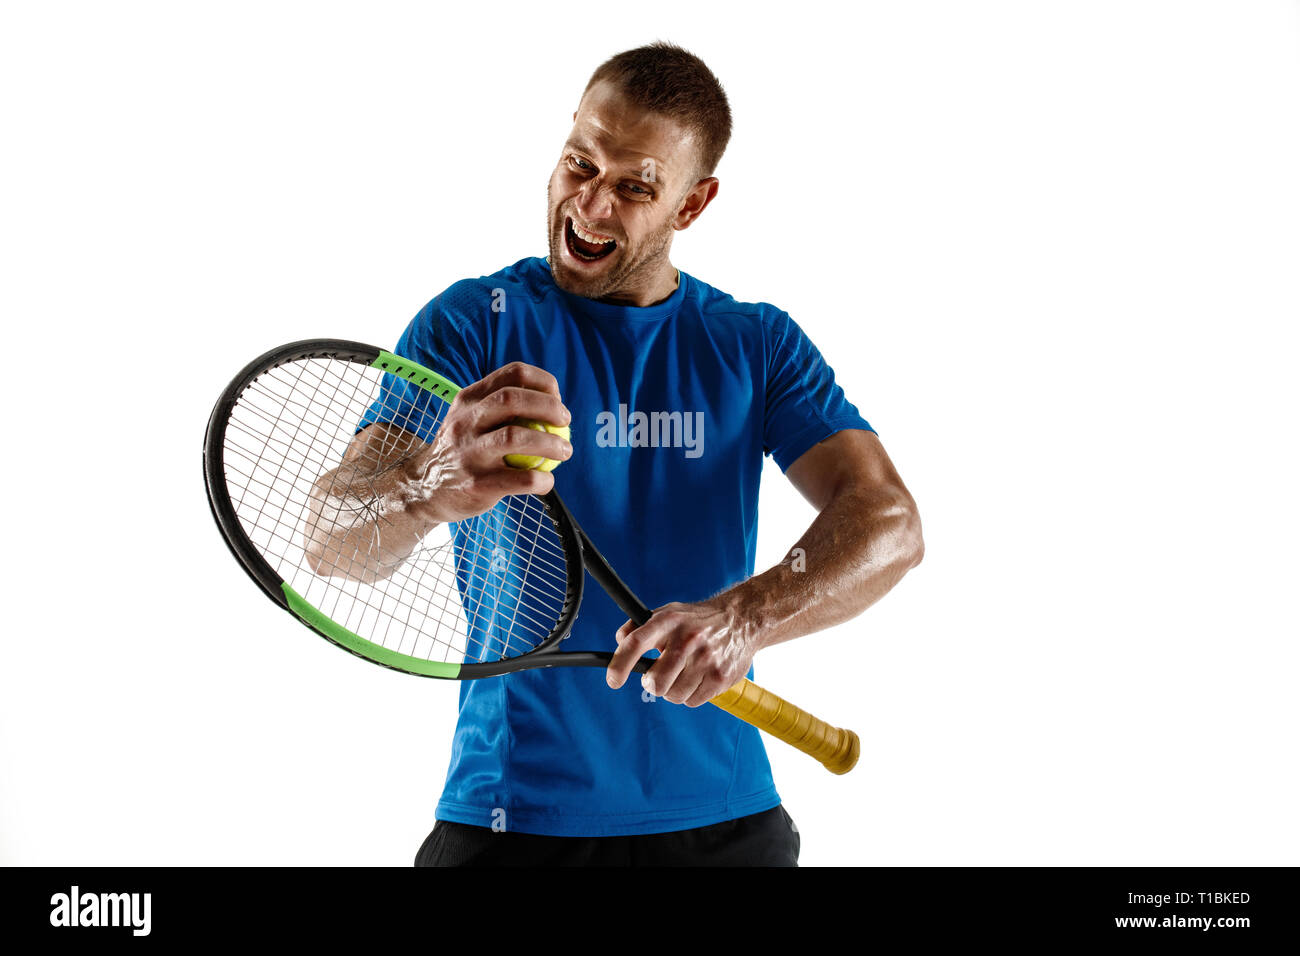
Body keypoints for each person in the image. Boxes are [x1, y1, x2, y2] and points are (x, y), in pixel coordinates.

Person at [308, 42, 923, 866]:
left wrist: (747, 616)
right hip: (509, 821)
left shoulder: (754, 344)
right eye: (579, 164)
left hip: (727, 827)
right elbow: (327, 534)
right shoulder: (473, 324)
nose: (590, 205)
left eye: (635, 186)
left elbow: (890, 522)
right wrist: (427, 484)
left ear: (692, 205)